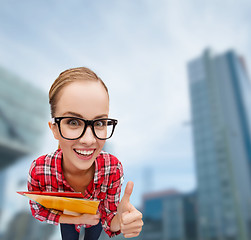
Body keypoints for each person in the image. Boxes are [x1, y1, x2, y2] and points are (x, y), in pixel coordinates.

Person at [27, 67, 143, 239]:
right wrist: (73, 218)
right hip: (68, 217)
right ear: (55, 129)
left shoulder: (112, 168)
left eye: (100, 123)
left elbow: (110, 218)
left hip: (95, 218)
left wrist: (121, 220)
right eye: (73, 122)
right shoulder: (40, 170)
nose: (89, 140)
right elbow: (38, 211)